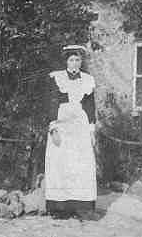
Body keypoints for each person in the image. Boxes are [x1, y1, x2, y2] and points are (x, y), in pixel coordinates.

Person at [44, 44, 97, 219]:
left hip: (80, 126)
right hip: (62, 124)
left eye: (78, 60)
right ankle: (60, 208)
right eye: (71, 60)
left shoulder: (88, 79)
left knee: (79, 164)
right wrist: (53, 128)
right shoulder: (57, 78)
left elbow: (90, 105)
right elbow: (51, 103)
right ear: (66, 61)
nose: (75, 63)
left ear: (81, 62)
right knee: (61, 163)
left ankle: (79, 206)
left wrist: (92, 129)